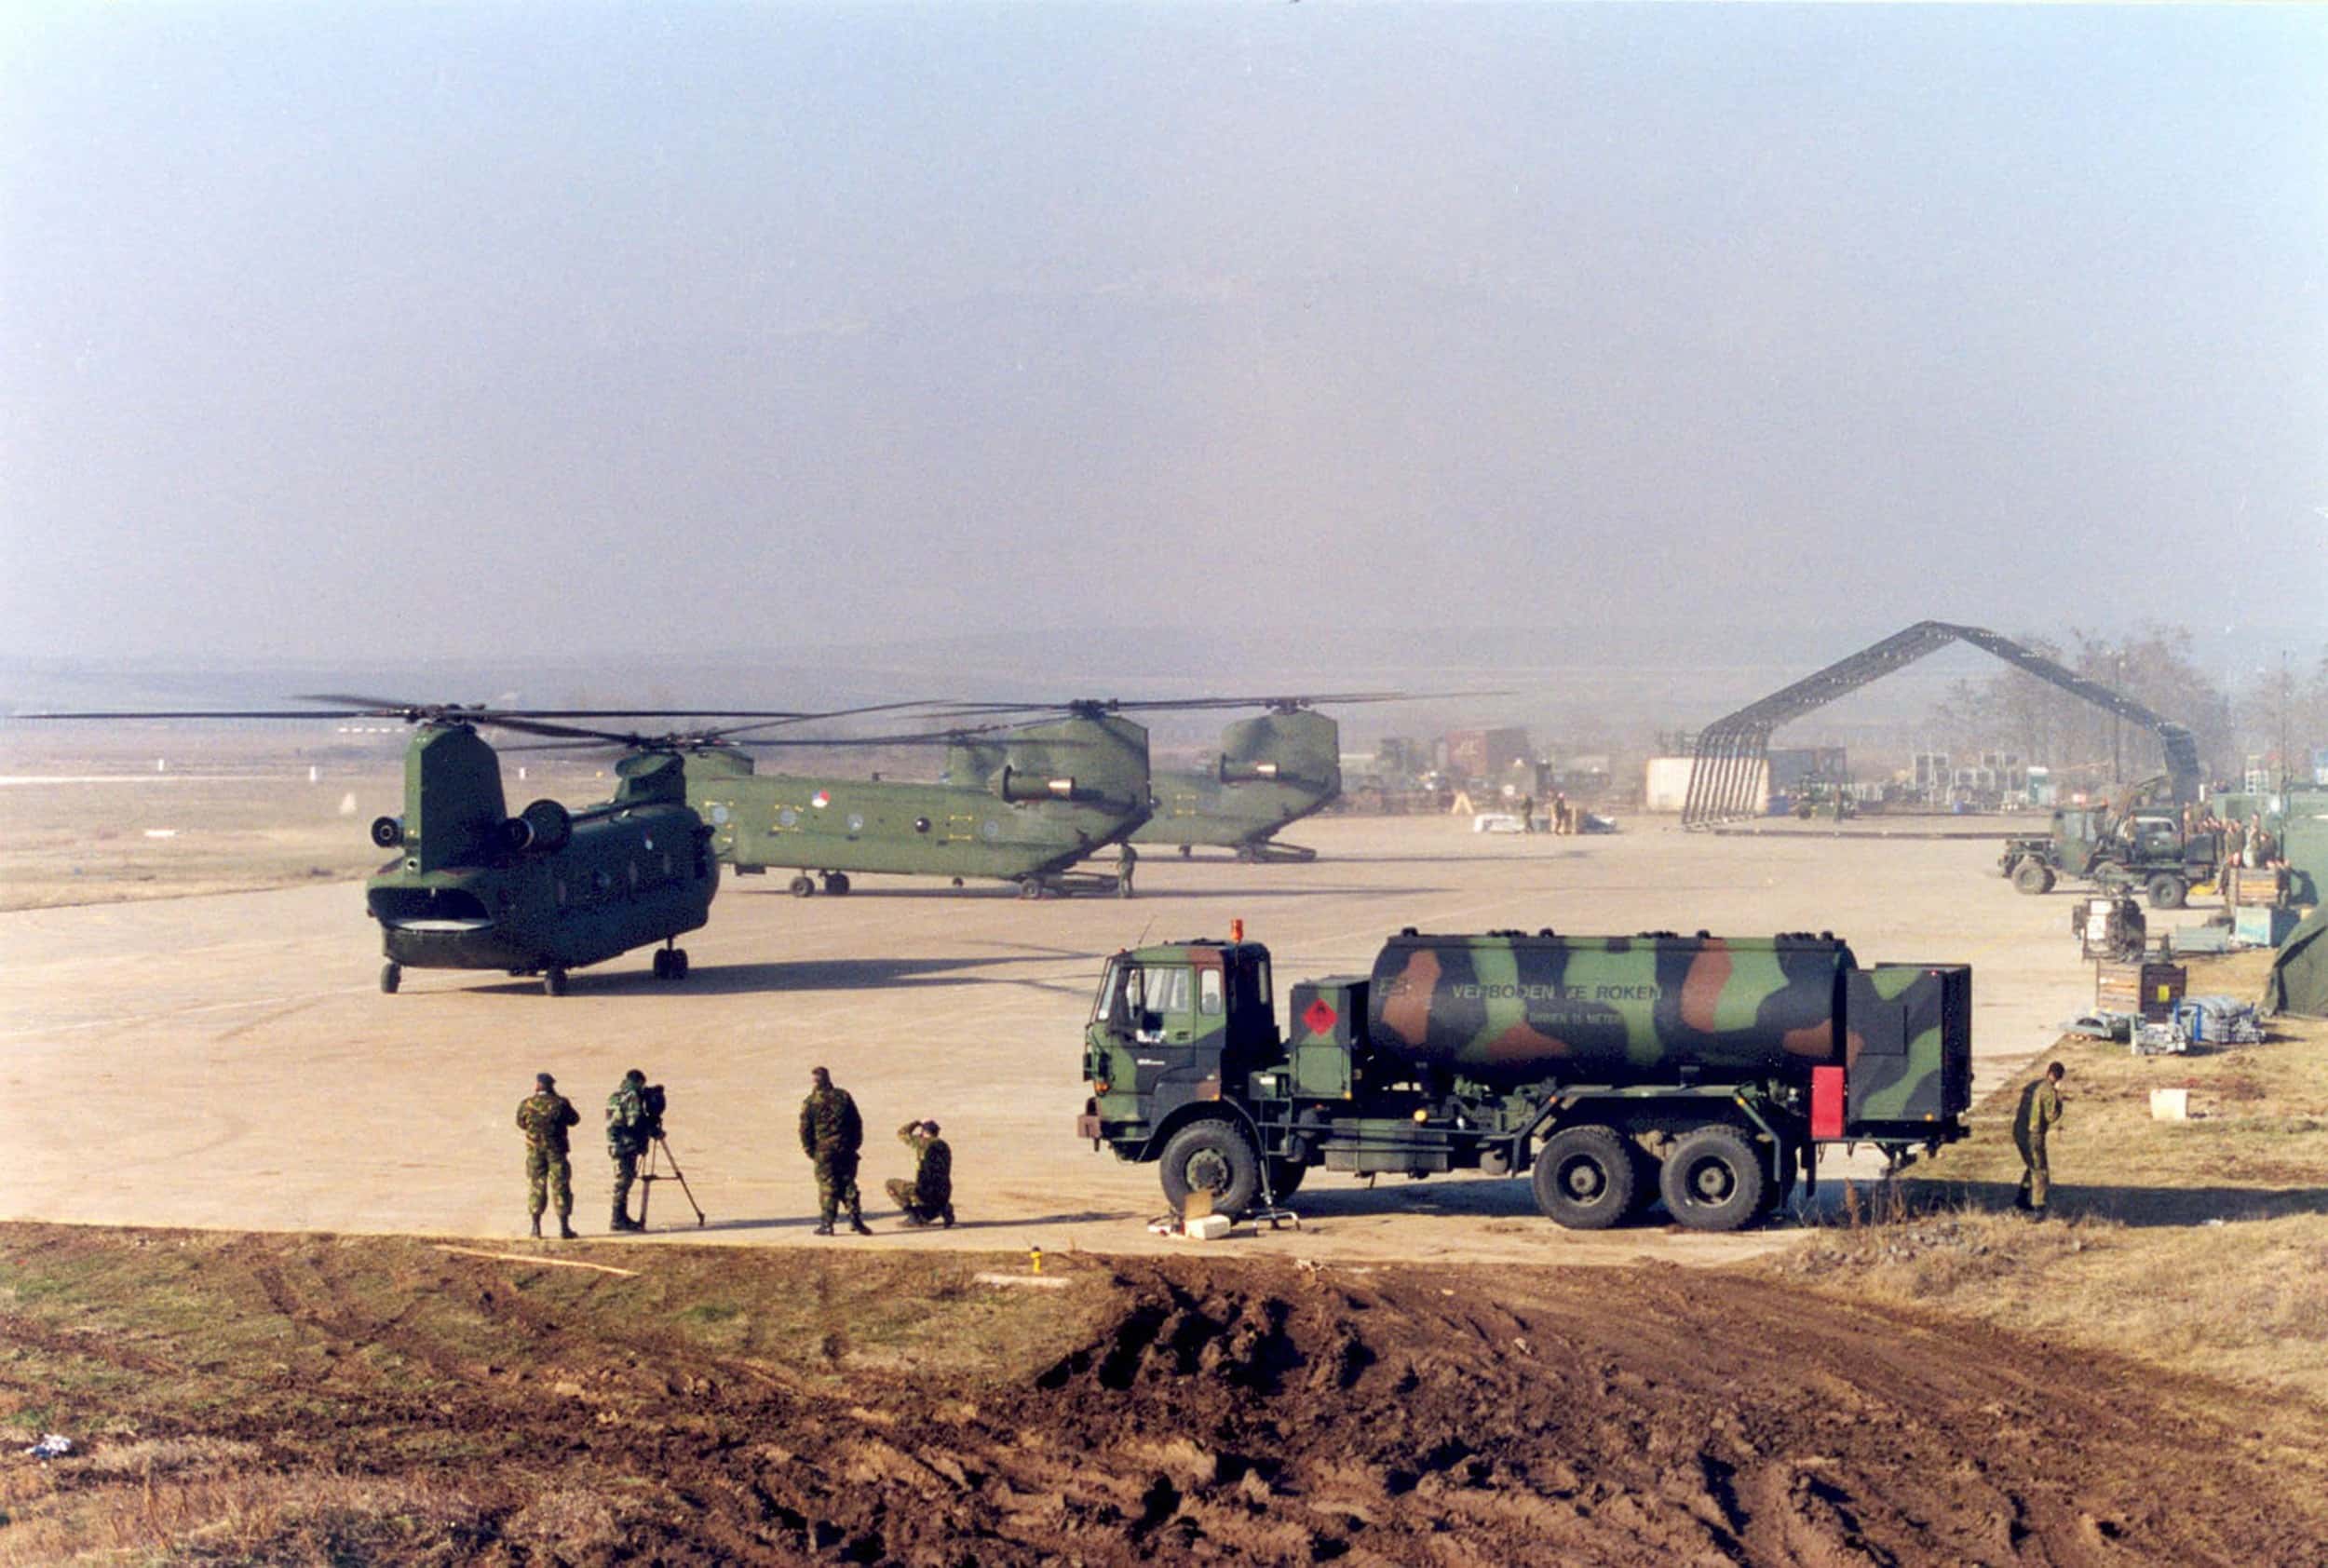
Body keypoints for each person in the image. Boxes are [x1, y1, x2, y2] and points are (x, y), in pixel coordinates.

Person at [799, 1065, 871, 1236]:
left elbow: (805, 1130)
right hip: (845, 1148)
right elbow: (856, 1122)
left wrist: (811, 1151)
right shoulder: (843, 1096)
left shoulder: (810, 1102)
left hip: (824, 1150)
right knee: (848, 1183)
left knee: (827, 1185)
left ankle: (827, 1223)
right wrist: (853, 1144)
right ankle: (855, 1219)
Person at [515, 1072, 579, 1239]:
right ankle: (564, 1228)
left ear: (537, 1085)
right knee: (560, 1185)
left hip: (535, 1151)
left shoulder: (527, 1104)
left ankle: (536, 1228)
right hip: (556, 1151)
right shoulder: (560, 1103)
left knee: (537, 1185)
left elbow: (521, 1123)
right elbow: (574, 1120)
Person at [2011, 1061, 2065, 1219]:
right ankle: (2038, 1208)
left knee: (2031, 1166)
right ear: (2059, 1077)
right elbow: (2051, 1116)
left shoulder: (2034, 1085)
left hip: (2019, 1131)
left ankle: (2021, 1200)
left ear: (2047, 1071)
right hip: (2033, 1135)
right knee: (2040, 1170)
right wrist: (2059, 1102)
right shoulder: (2049, 1091)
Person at [606, 1067, 653, 1233]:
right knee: (623, 1181)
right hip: (626, 1144)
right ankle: (617, 1219)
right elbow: (635, 1120)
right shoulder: (632, 1096)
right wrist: (649, 1128)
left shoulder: (616, 1096)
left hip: (615, 1144)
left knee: (623, 1180)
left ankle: (621, 1217)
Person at [886, 1118, 955, 1227]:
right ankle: (944, 1208)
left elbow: (902, 1133)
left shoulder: (922, 1143)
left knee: (891, 1184)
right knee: (929, 1206)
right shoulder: (944, 1146)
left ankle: (914, 1216)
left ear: (925, 1132)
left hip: (925, 1192)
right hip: (944, 1192)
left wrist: (916, 1123)